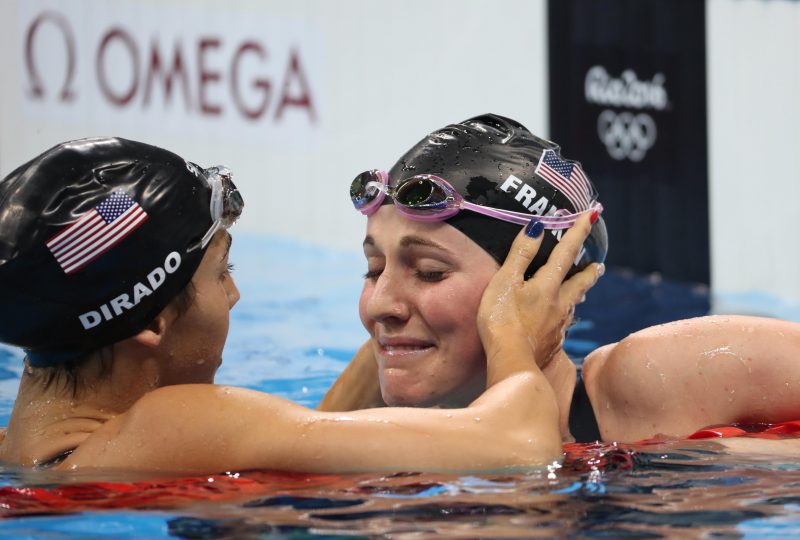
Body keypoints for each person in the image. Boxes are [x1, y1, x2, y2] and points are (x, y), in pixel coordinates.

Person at [0, 136, 601, 473]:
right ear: (153, 320)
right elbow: (520, 446)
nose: (234, 293)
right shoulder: (169, 426)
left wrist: (399, 314)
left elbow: (317, 437)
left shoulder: (29, 453)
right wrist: (507, 333)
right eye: (222, 271)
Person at [320, 113, 800, 445]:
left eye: (429, 272)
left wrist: (763, 460)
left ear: (540, 282)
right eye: (374, 269)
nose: (380, 303)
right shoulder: (395, 442)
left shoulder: (648, 381)